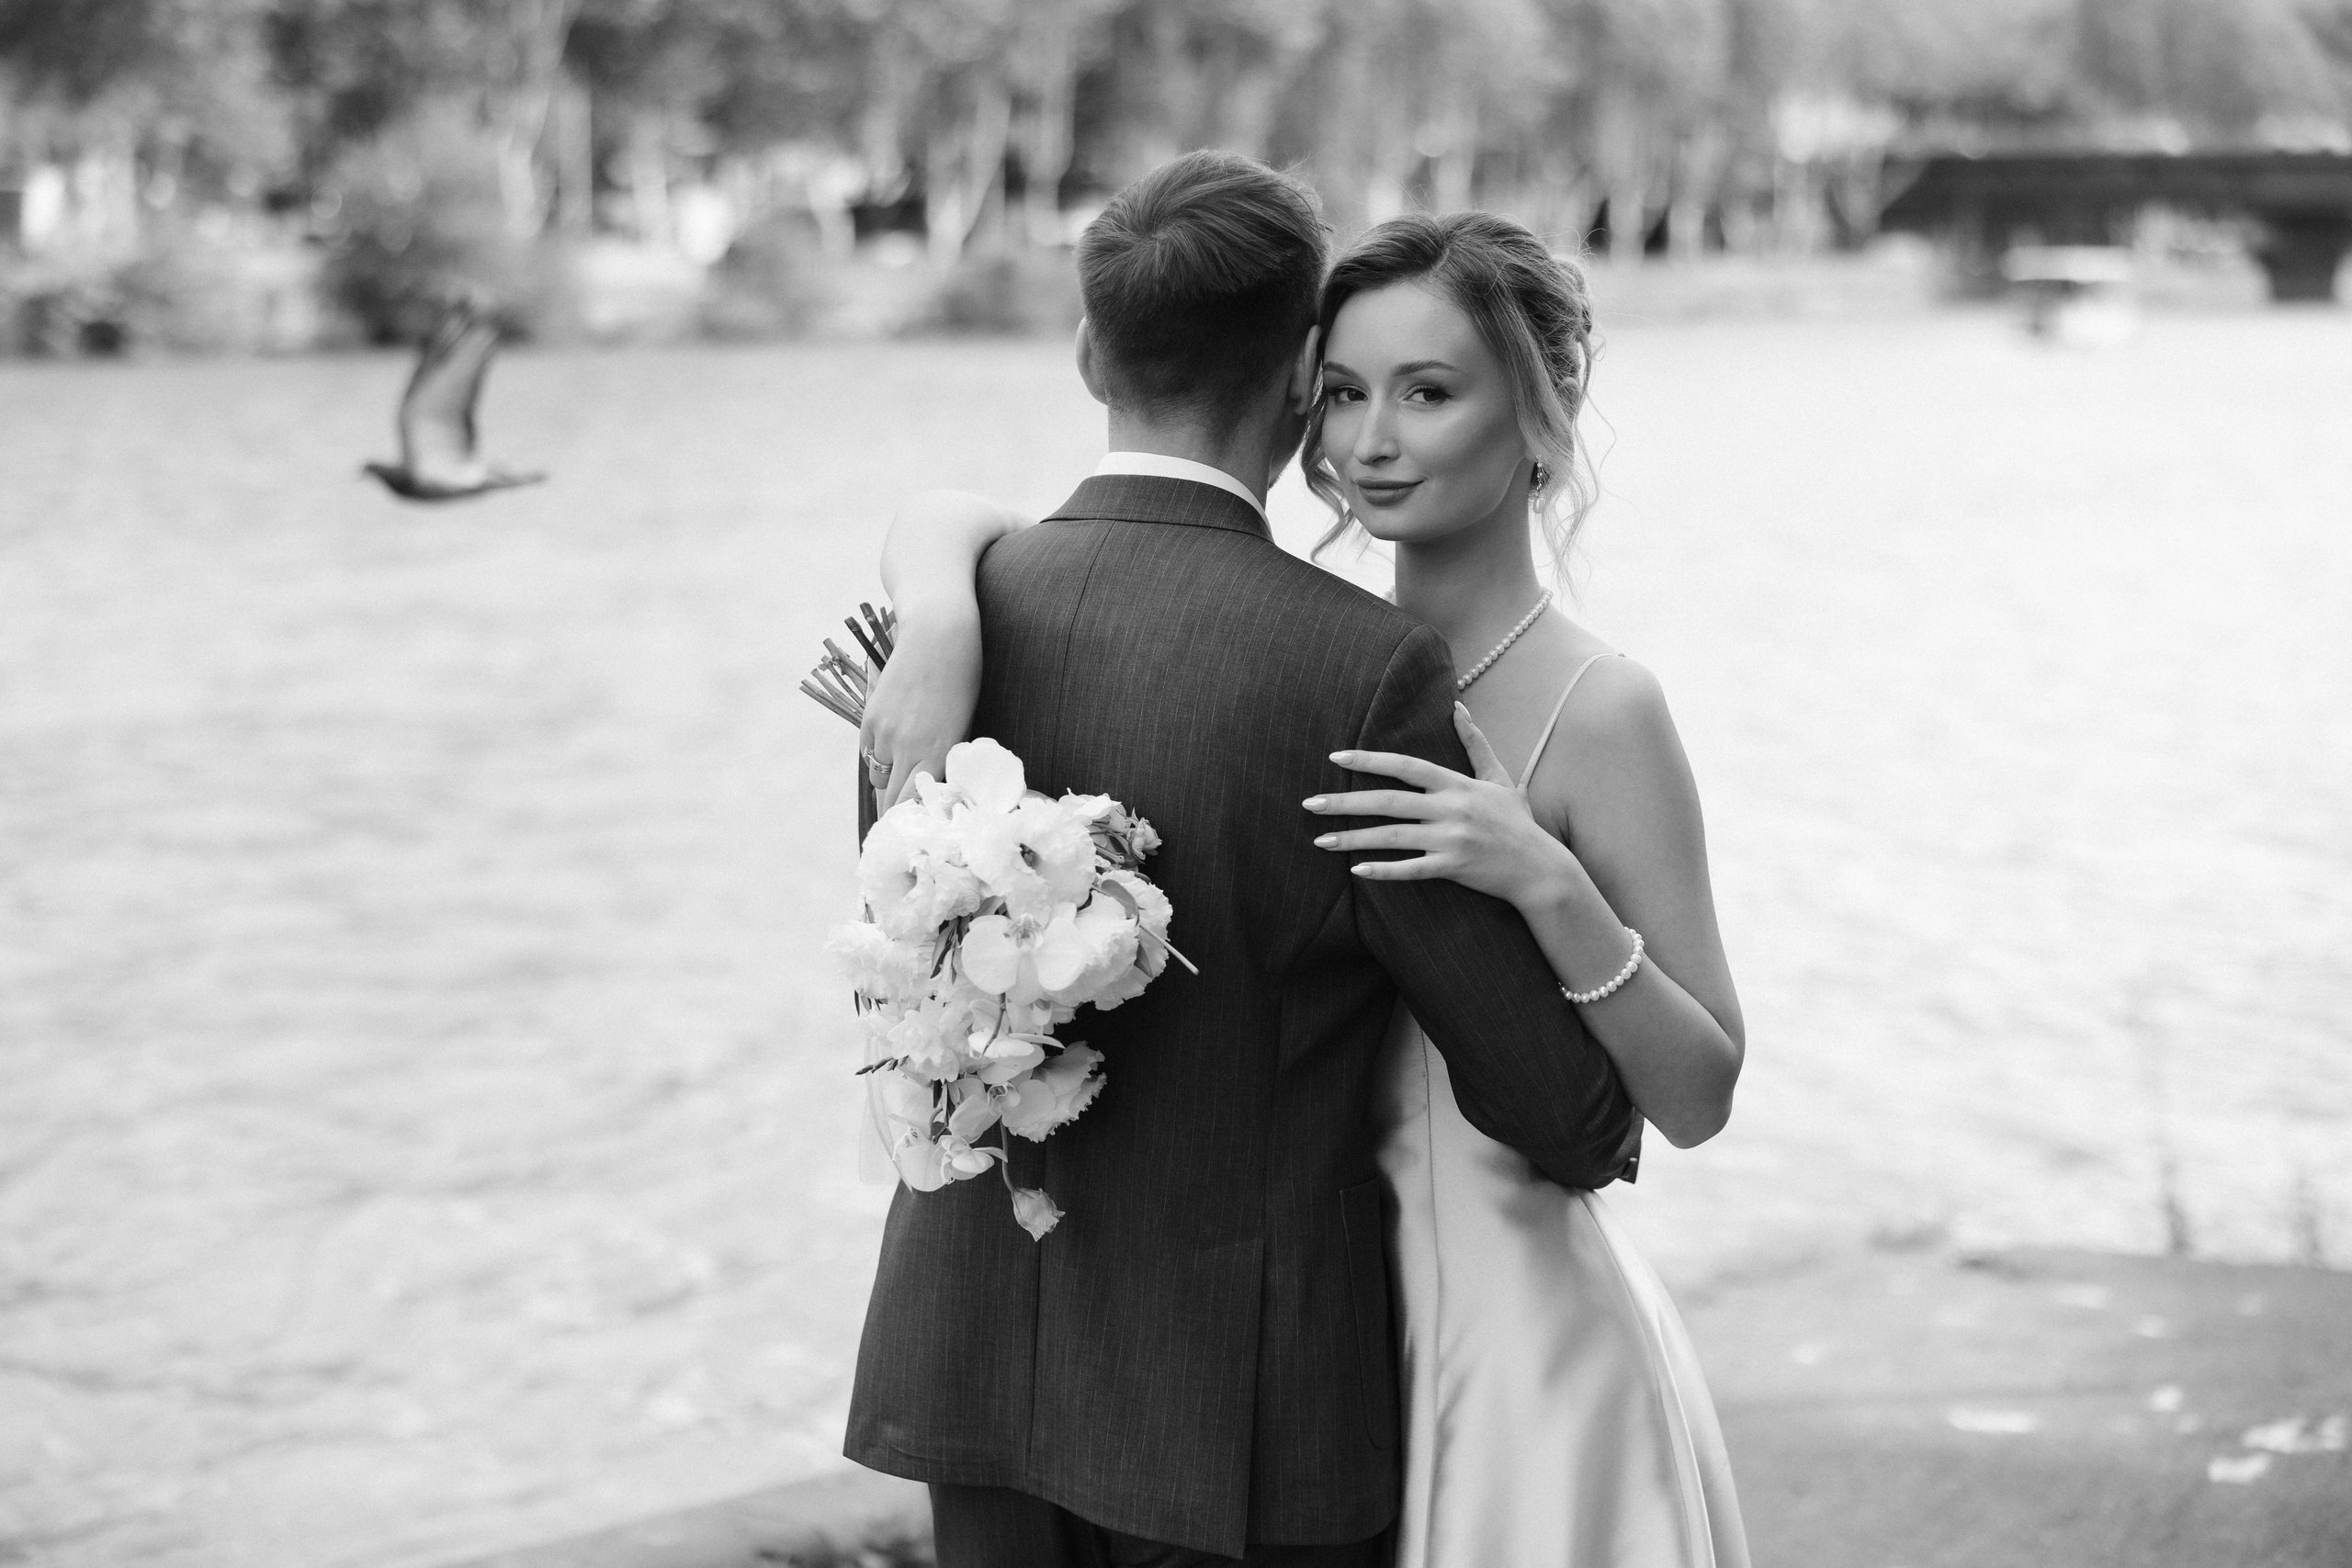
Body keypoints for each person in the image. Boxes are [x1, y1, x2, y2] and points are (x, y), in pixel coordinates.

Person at [868, 207, 1750, 1567]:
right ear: (1296, 394)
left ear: (1541, 409)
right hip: (1283, 1323)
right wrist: (935, 591)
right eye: (1343, 392)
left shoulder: (1597, 705)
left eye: (1429, 392)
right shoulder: (1317, 656)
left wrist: (1548, 879)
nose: (1371, 440)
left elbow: (1679, 1103)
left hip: (1484, 1318)